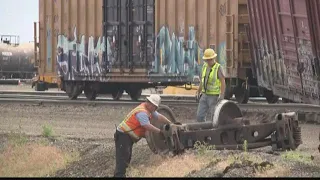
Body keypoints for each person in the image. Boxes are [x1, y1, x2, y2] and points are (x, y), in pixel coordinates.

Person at [114, 94, 173, 177]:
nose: (155, 109)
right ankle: (119, 175)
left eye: (156, 107)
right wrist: (160, 132)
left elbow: (159, 116)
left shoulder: (149, 109)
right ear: (150, 103)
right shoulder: (142, 112)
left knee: (127, 157)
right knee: (122, 159)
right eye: (155, 107)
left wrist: (170, 123)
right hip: (123, 135)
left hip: (127, 136)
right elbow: (147, 126)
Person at [196, 48, 226, 122]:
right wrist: (198, 91)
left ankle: (213, 131)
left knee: (214, 117)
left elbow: (223, 82)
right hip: (204, 95)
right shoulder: (204, 67)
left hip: (214, 96)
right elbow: (202, 81)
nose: (208, 61)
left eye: (210, 59)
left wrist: (221, 94)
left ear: (213, 58)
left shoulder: (218, 68)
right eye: (207, 60)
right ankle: (202, 129)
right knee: (200, 116)